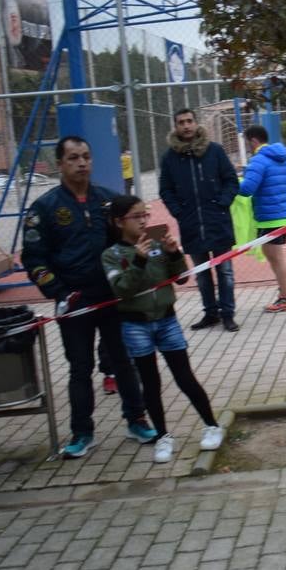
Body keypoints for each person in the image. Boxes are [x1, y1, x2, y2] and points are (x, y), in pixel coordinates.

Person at [22, 136, 158, 459]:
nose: (81, 163)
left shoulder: (110, 202)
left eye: (86, 156)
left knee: (124, 363)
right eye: (73, 158)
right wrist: (60, 293)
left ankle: (136, 420)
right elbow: (34, 259)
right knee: (80, 369)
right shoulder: (44, 208)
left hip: (114, 299)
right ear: (60, 164)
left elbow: (132, 238)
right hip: (75, 303)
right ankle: (82, 433)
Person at [102, 195, 225, 461]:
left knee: (184, 376)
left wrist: (174, 253)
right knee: (150, 382)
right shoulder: (111, 255)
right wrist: (138, 260)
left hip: (167, 320)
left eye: (145, 215)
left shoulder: (156, 243)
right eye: (137, 217)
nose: (144, 221)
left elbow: (180, 278)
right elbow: (123, 289)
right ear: (118, 222)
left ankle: (212, 425)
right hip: (134, 324)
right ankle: (162, 436)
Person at [158, 108, 241, 332]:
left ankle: (228, 314)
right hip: (191, 225)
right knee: (202, 275)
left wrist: (222, 203)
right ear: (175, 126)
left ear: (196, 123)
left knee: (225, 272)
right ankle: (210, 313)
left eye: (189, 121)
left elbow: (231, 181)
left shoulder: (215, 151)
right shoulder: (170, 158)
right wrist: (179, 212)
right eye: (181, 122)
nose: (186, 126)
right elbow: (165, 190)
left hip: (218, 223)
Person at [238, 125, 286, 313]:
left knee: (276, 259)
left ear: (253, 141)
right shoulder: (285, 159)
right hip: (283, 216)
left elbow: (247, 189)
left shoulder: (258, 160)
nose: (248, 147)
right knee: (275, 257)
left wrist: (232, 181)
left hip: (268, 219)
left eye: (247, 142)